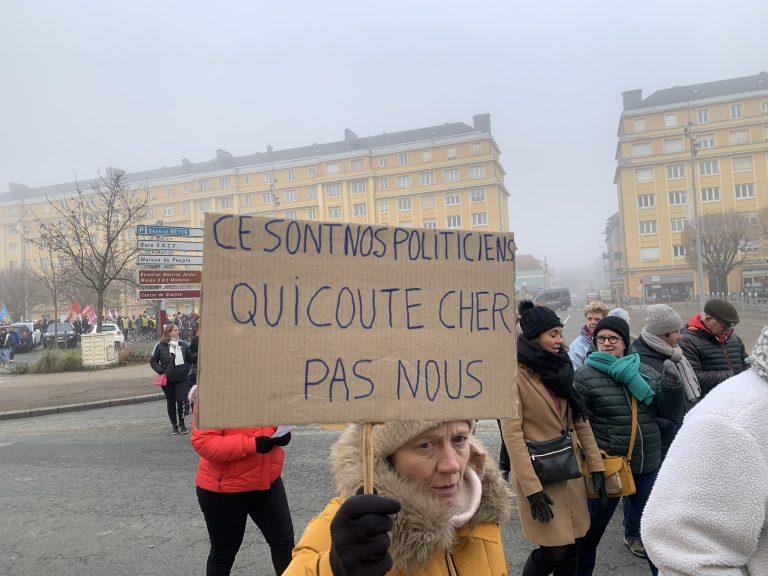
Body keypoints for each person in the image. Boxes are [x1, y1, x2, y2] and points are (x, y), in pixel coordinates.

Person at [284, 419, 511, 575]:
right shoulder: (354, 527)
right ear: (389, 457)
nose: (452, 465)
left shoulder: (481, 505)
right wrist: (334, 568)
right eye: (425, 445)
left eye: (459, 439)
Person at [641, 326, 768, 575]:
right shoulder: (731, 420)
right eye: (670, 331)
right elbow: (688, 554)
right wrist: (725, 375)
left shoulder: (732, 342)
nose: (676, 335)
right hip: (655, 442)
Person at [573, 316, 684, 576]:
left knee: (655, 534)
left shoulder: (643, 371)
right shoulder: (584, 377)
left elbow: (667, 412)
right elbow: (578, 424)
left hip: (646, 465)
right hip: (607, 468)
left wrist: (673, 387)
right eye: (601, 338)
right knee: (589, 536)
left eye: (614, 338)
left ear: (625, 342)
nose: (607, 343)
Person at [501, 301, 605, 576]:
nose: (560, 340)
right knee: (553, 551)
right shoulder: (514, 375)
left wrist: (596, 465)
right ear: (536, 337)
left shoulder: (561, 368)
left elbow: (579, 420)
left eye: (560, 333)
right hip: (541, 476)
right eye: (554, 334)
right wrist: (532, 488)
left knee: (573, 548)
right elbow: (512, 436)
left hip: (571, 472)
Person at [621, 305, 700, 559]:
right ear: (664, 333)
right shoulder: (642, 358)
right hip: (656, 436)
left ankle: (665, 530)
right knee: (642, 490)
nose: (681, 335)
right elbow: (648, 403)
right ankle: (634, 534)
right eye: (676, 331)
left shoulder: (674, 353)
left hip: (678, 432)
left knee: (664, 489)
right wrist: (669, 424)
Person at [190, 386, 294, 575]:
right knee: (224, 553)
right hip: (224, 491)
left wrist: (280, 433)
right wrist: (252, 444)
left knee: (285, 544)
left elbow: (273, 422)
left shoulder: (266, 386)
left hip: (267, 483)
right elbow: (203, 442)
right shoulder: (215, 391)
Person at [679, 299, 747, 398]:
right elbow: (694, 378)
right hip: (709, 403)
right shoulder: (687, 342)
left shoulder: (735, 339)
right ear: (708, 319)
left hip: (738, 399)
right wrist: (733, 375)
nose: (730, 329)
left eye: (733, 325)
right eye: (727, 325)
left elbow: (746, 365)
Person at [150, 324, 193, 434]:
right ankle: (174, 425)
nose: (178, 332)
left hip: (181, 378)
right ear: (169, 332)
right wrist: (160, 370)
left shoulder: (182, 345)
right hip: (167, 380)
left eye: (178, 330)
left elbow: (190, 358)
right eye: (175, 330)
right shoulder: (160, 346)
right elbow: (153, 361)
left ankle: (182, 424)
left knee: (181, 400)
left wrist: (199, 351)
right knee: (171, 402)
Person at [568, 301, 609, 369]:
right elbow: (574, 374)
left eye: (597, 319)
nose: (592, 322)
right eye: (589, 319)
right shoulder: (576, 345)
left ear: (605, 320)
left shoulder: (613, 342)